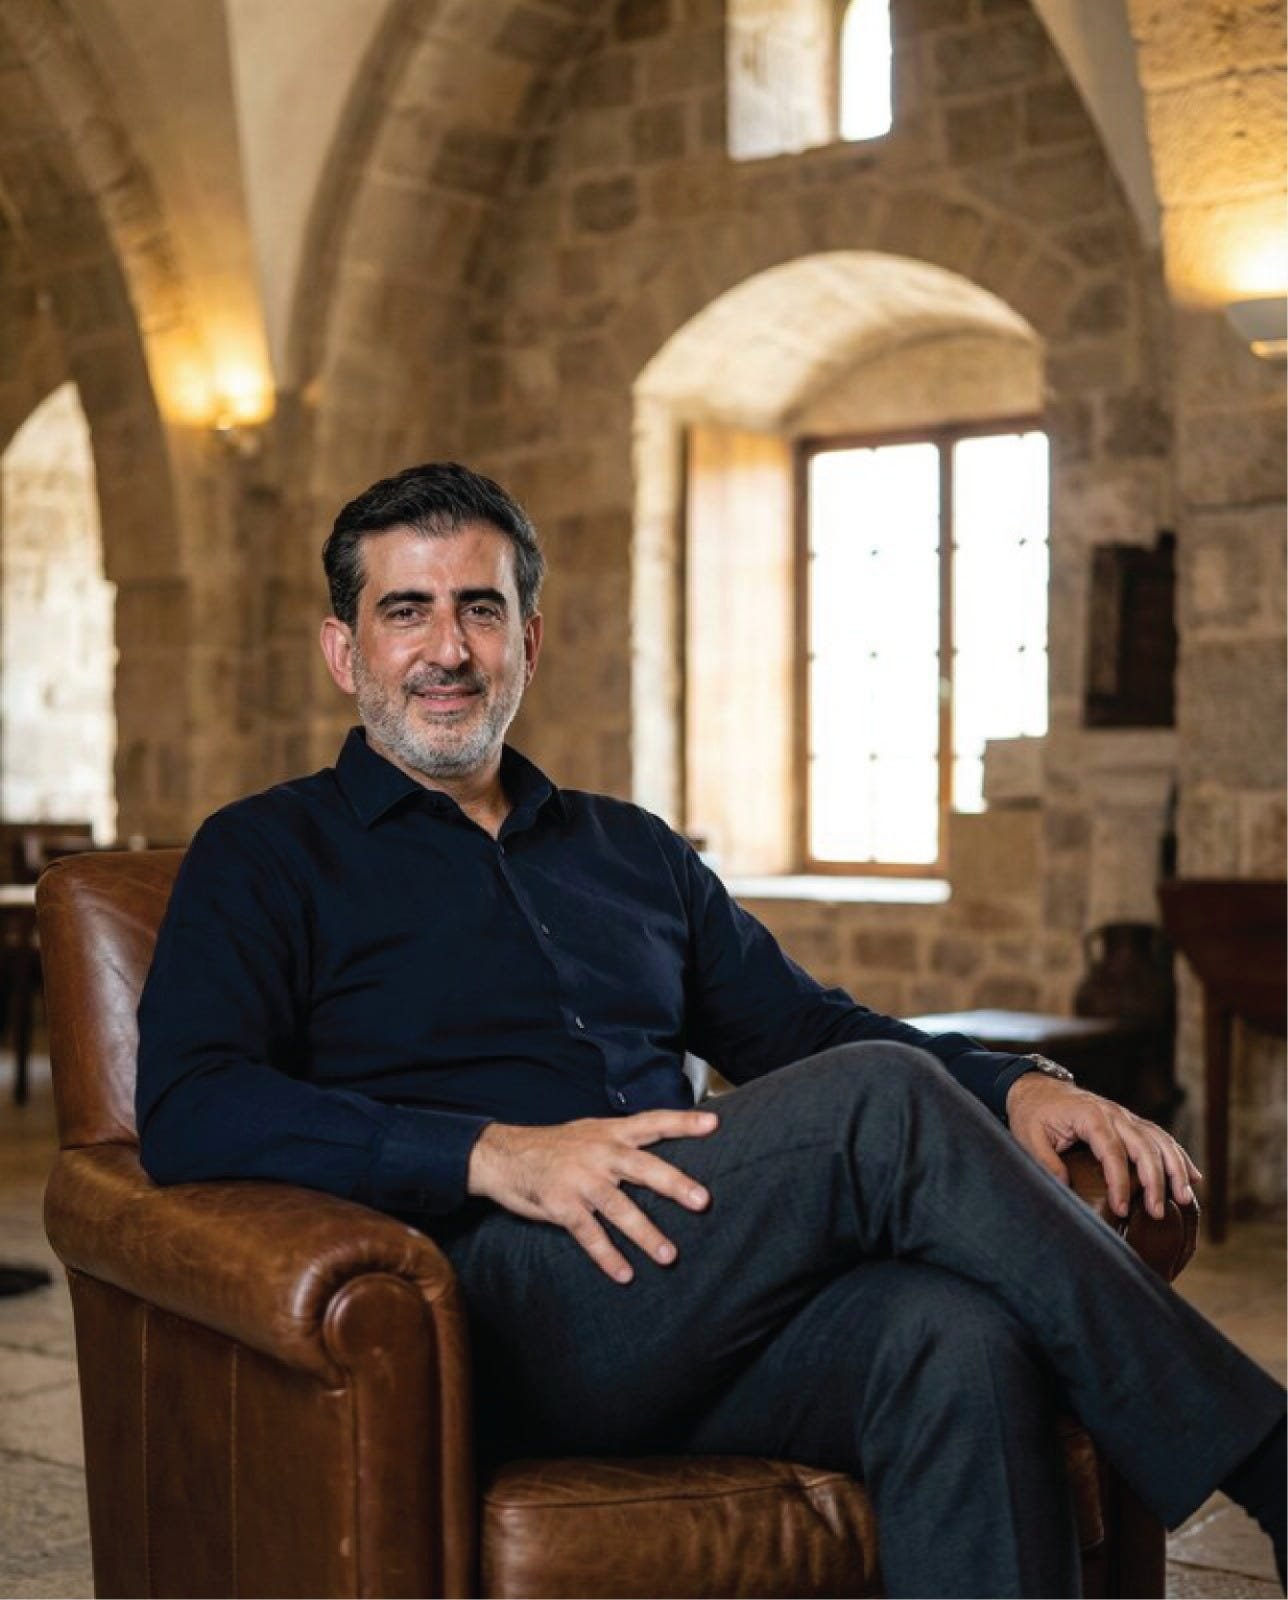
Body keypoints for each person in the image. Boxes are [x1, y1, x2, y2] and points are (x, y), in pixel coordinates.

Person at [136, 461, 1285, 1598]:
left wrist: (1014, 1087)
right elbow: (191, 1104)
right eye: (406, 612)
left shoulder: (631, 850)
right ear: (345, 651)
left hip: (698, 1292)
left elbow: (805, 1029)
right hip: (485, 1306)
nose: (448, 648)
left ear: (529, 640)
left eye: (479, 609)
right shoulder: (265, 852)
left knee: (954, 1337)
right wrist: (487, 1152)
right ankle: (1273, 1467)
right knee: (878, 1097)